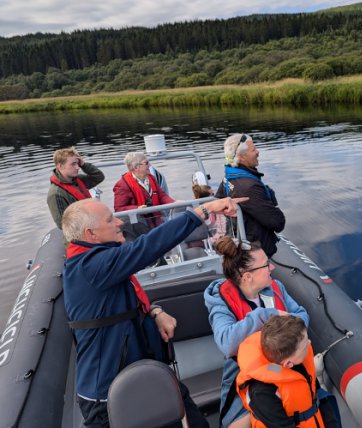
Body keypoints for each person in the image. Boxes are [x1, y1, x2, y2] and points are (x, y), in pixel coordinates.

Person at [62, 196, 245, 428]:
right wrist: (203, 211)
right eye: (110, 220)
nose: (119, 223)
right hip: (109, 393)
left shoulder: (95, 264)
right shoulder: (91, 267)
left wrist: (155, 311)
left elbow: (120, 301)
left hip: (143, 371)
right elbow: (147, 247)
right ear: (91, 234)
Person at [204, 236, 309, 428]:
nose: (272, 268)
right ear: (247, 276)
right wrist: (268, 315)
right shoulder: (220, 301)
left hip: (280, 366)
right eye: (266, 264)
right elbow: (227, 343)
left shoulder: (276, 288)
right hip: (246, 372)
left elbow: (302, 315)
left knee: (302, 401)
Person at [236, 316, 327, 428]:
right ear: (288, 364)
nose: (309, 343)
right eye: (304, 347)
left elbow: (314, 391)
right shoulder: (261, 393)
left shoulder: (298, 363)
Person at [215, 133, 285, 257]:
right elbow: (277, 223)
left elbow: (219, 199)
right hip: (255, 251)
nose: (258, 152)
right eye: (253, 149)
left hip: (240, 237)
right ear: (241, 156)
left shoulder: (228, 177)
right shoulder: (249, 187)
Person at [47, 147, 105, 229]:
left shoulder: (78, 180)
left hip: (91, 225)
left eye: (78, 164)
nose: (77, 167)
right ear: (60, 166)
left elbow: (99, 177)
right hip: (79, 234)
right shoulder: (55, 194)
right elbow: (62, 224)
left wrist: (84, 165)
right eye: (73, 164)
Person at [113, 151, 175, 228]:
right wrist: (137, 209)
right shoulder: (122, 185)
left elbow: (162, 196)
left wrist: (174, 203)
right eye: (146, 163)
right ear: (136, 167)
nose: (150, 165)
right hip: (139, 225)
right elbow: (119, 209)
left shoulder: (151, 178)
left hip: (157, 220)